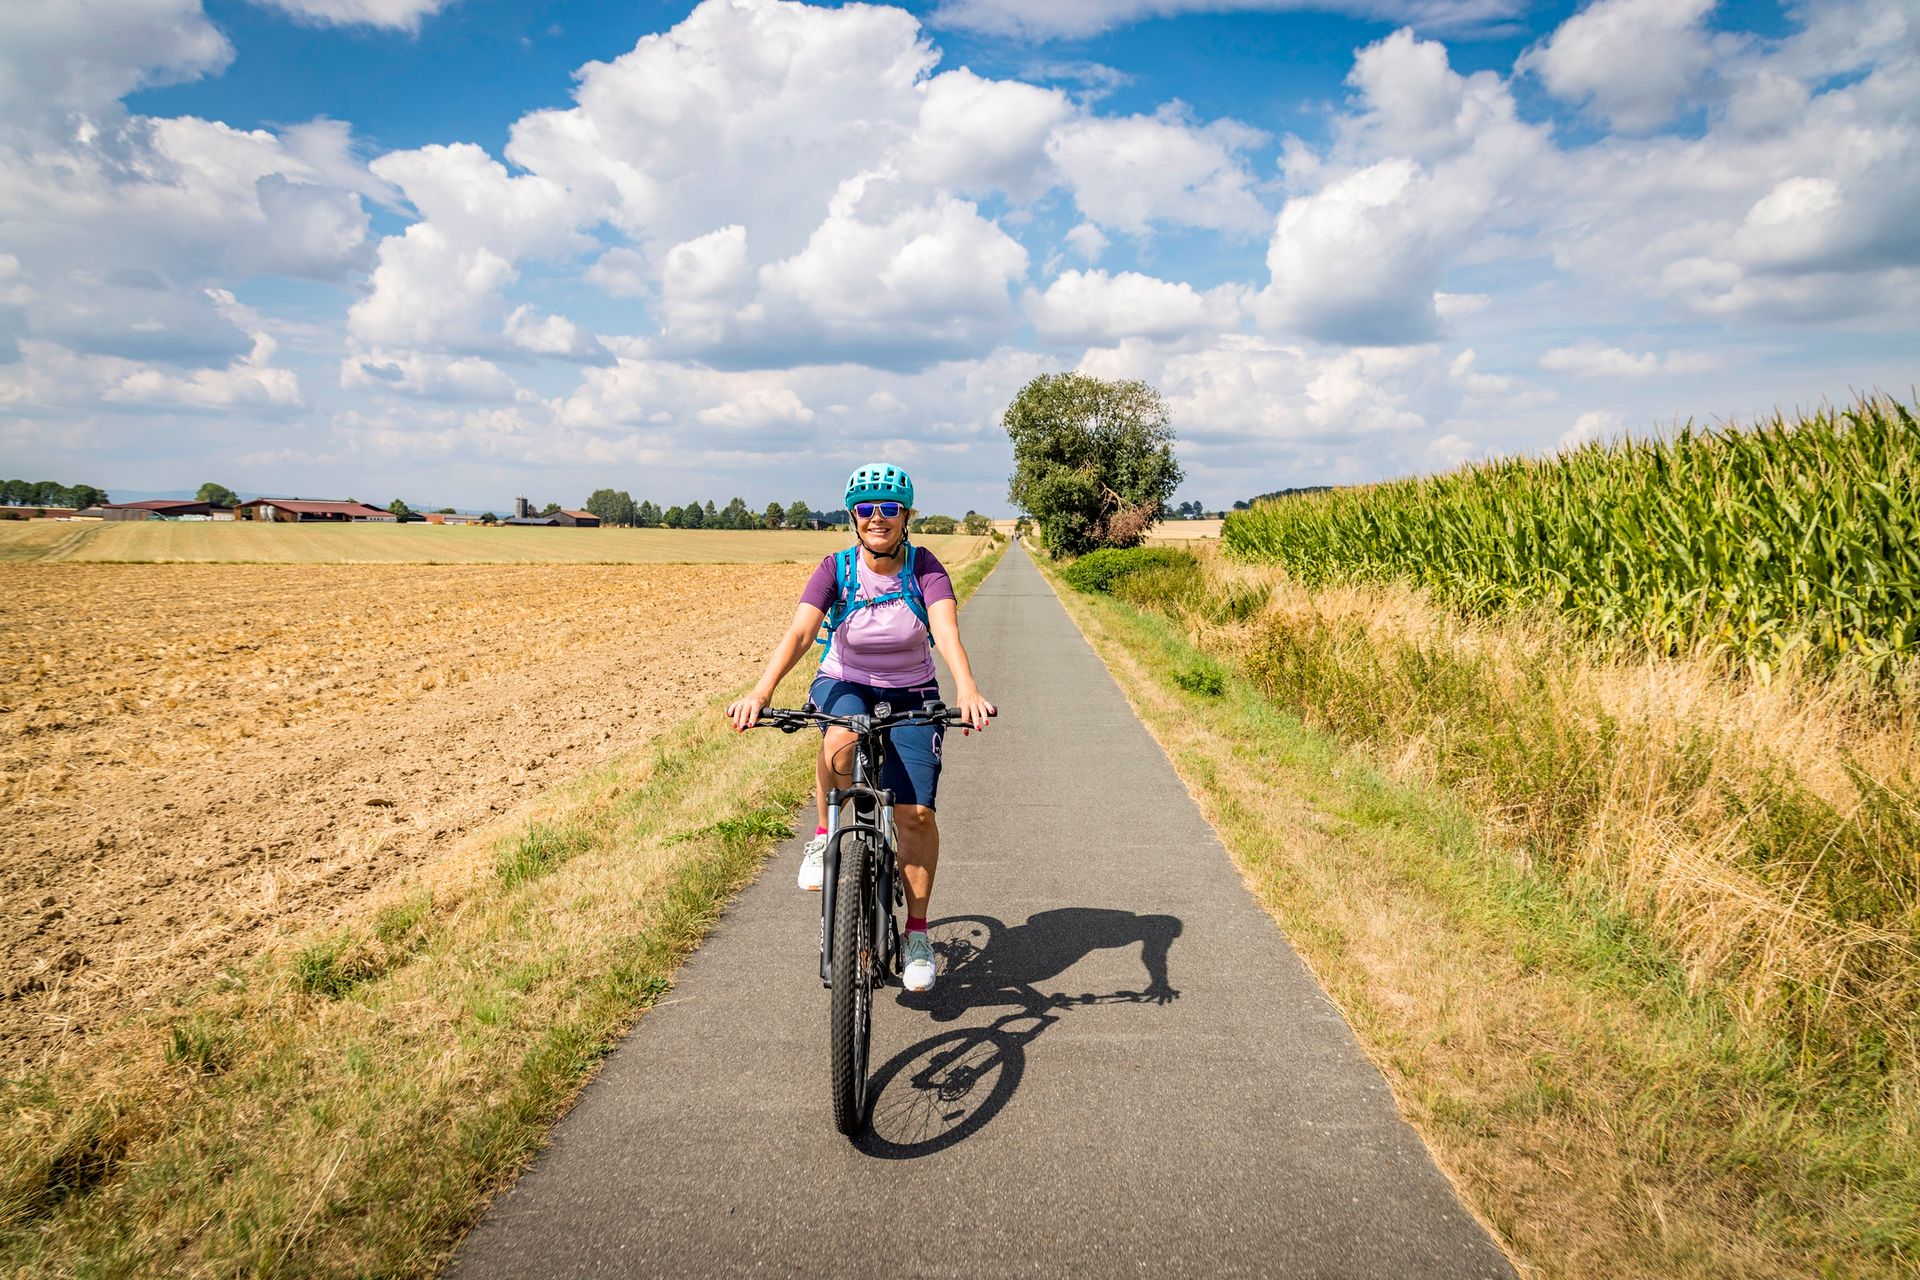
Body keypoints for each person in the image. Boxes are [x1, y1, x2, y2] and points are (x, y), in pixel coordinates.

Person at [727, 463, 994, 993]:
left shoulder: (925, 568)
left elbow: (945, 630)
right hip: (844, 681)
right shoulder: (837, 568)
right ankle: (824, 835)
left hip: (911, 690)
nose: (877, 517)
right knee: (842, 738)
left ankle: (917, 935)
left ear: (906, 516)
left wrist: (966, 688)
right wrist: (761, 692)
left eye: (889, 508)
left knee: (915, 815)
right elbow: (801, 632)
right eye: (866, 509)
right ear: (853, 516)